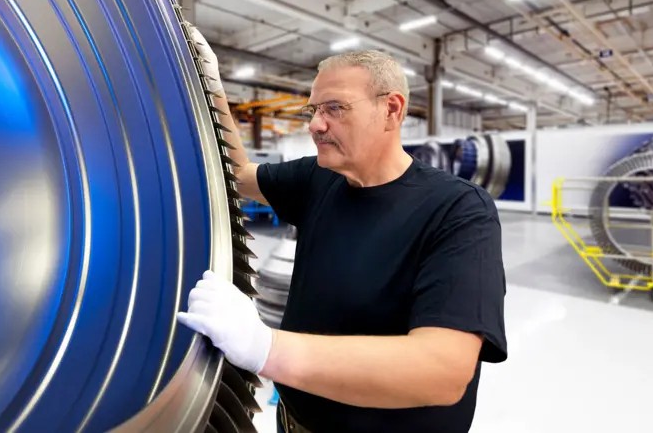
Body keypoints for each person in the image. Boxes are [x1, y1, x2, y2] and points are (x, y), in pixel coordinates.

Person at [178, 27, 507, 433]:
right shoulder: (320, 178)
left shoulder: (457, 210)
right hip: (295, 420)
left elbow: (442, 370)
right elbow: (240, 175)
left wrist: (266, 348)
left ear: (392, 110)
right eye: (313, 110)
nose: (315, 124)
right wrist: (212, 88)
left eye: (335, 108)